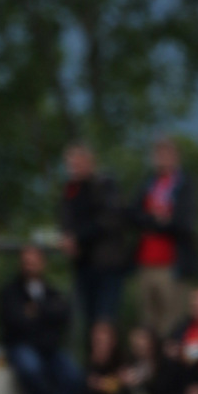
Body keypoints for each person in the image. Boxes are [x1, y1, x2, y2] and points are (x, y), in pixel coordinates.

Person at [0, 246, 77, 394]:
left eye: (34, 261)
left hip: (50, 350)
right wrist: (45, 315)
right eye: (26, 261)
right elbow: (14, 320)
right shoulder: (10, 292)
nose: (30, 265)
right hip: (21, 347)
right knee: (32, 371)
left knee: (73, 377)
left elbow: (64, 316)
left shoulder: (52, 291)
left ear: (43, 263)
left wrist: (37, 311)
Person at [58, 144, 132, 336]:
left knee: (105, 320)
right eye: (70, 163)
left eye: (78, 162)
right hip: (83, 264)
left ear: (90, 162)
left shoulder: (105, 184)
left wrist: (77, 238)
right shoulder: (70, 190)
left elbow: (110, 219)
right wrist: (67, 238)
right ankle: (92, 363)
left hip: (107, 264)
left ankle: (109, 363)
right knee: (88, 320)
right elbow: (66, 219)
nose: (74, 167)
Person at [131, 136, 198, 337]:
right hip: (146, 262)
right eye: (158, 153)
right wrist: (157, 219)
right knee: (148, 323)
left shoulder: (185, 184)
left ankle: (171, 366)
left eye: (167, 153)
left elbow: (184, 222)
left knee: (173, 324)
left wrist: (158, 222)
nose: (162, 158)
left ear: (177, 156)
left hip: (172, 264)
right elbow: (133, 215)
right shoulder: (148, 183)